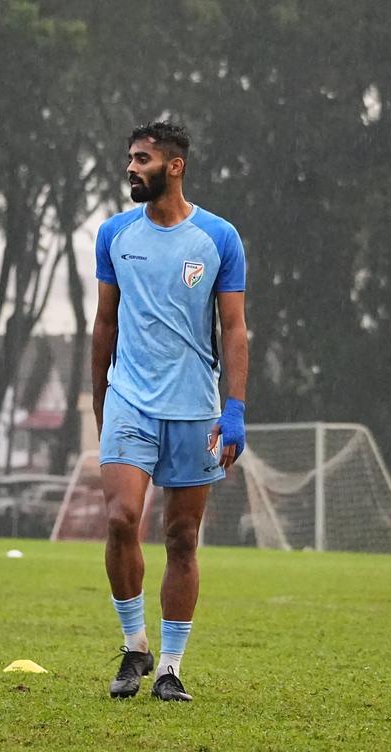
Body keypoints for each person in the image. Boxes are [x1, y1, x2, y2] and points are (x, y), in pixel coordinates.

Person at [93, 121, 248, 702]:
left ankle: (171, 668)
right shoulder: (113, 234)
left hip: (194, 408)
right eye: (129, 158)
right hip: (129, 396)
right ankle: (135, 647)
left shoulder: (219, 238)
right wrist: (97, 397)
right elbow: (104, 322)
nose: (131, 168)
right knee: (120, 518)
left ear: (174, 166)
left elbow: (233, 328)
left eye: (141, 159)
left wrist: (234, 408)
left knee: (182, 537)